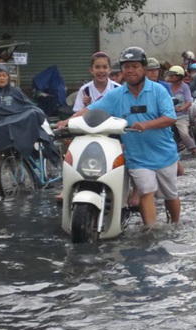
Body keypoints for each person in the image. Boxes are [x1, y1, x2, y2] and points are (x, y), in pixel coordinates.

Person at [57, 47, 179, 226]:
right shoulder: (116, 95)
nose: (130, 70)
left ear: (143, 68)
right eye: (126, 67)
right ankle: (151, 232)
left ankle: (175, 225)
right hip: (137, 156)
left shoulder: (158, 90)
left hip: (164, 153)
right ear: (121, 71)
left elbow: (170, 118)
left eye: (135, 66)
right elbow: (90, 109)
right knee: (146, 192)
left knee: (170, 195)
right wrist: (67, 122)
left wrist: (145, 125)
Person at [0, 65, 59, 191]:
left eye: (4, 75)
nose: (1, 78)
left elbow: (27, 105)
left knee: (32, 113)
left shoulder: (15, 91)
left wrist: (37, 112)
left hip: (16, 127)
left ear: (8, 78)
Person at [167, 65, 196, 158]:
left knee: (184, 133)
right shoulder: (167, 86)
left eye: (173, 75)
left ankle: (194, 150)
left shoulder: (185, 87)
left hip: (181, 116)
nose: (170, 77)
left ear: (179, 77)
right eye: (170, 75)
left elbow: (189, 102)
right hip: (168, 116)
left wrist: (181, 108)